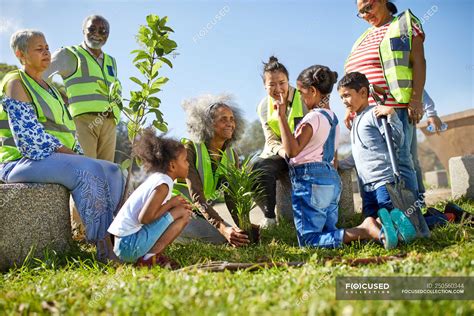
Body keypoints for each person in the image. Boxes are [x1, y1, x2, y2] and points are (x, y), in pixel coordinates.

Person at [0, 29, 124, 261]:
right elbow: (29, 141)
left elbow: (68, 134)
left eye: (47, 47)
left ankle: (120, 240)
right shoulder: (16, 83)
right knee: (88, 170)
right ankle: (104, 249)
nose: (46, 52)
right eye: (39, 49)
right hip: (19, 161)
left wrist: (75, 153)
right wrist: (72, 155)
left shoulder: (52, 91)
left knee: (114, 171)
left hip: (48, 159)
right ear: (21, 54)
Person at [277, 65, 387, 249]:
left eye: (302, 93)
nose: (301, 99)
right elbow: (333, 158)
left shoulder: (312, 118)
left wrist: (281, 116)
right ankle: (368, 232)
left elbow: (292, 151)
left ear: (312, 91)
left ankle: (365, 230)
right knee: (327, 234)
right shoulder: (333, 118)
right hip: (330, 180)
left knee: (309, 241)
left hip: (310, 181)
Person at [337, 72, 455, 234]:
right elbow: (359, 154)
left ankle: (449, 216)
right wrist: (340, 164)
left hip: (384, 183)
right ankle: (421, 221)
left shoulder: (375, 114)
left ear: (363, 93)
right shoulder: (356, 119)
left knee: (400, 221)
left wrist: (392, 115)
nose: (344, 101)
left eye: (347, 95)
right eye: (341, 97)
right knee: (372, 222)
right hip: (368, 187)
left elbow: (397, 141)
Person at [345, 0, 426, 195]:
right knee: (372, 162)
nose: (365, 15)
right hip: (365, 113)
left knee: (400, 160)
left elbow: (419, 62)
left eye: (368, 7)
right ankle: (380, 210)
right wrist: (350, 108)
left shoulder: (403, 24)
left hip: (392, 107)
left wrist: (415, 99)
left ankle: (412, 211)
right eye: (361, 12)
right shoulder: (363, 37)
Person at [108, 128, 193, 268]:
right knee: (182, 212)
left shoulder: (159, 179)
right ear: (172, 165)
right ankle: (149, 259)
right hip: (128, 246)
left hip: (125, 243)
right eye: (185, 160)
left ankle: (149, 255)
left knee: (178, 210)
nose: (188, 164)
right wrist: (171, 204)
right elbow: (145, 218)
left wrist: (171, 206)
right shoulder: (163, 185)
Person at [43, 14, 120, 161]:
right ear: (83, 31)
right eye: (92, 29)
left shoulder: (112, 61)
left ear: (108, 35)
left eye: (102, 31)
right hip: (83, 121)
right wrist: (61, 100)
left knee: (106, 171)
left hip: (109, 122)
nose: (97, 34)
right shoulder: (69, 54)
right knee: (85, 167)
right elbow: (40, 76)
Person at [178, 94, 250, 247]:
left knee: (231, 236)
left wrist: (245, 228)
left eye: (232, 119)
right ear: (208, 124)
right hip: (177, 210)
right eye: (223, 119)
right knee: (222, 237)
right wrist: (223, 229)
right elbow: (197, 197)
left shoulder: (231, 155)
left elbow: (232, 197)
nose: (230, 123)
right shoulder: (190, 148)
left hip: (200, 213)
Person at [254, 56, 307, 228]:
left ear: (288, 81)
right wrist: (286, 152)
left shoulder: (304, 98)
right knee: (258, 168)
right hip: (282, 153)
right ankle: (269, 217)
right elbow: (270, 139)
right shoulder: (263, 106)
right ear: (265, 86)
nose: (278, 88)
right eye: (272, 84)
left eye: (282, 83)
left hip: (307, 151)